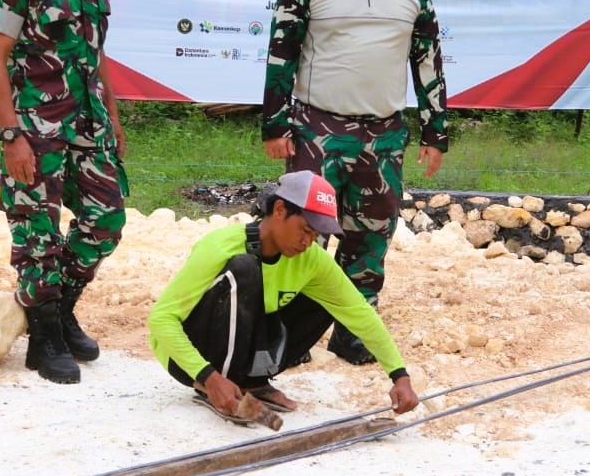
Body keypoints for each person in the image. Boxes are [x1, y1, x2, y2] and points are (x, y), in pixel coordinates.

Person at [261, 0, 448, 364]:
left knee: (372, 234)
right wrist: (275, 126)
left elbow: (427, 62)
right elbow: (281, 56)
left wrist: (435, 130)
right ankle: (286, 328)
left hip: (383, 134)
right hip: (316, 128)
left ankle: (353, 330)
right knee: (305, 231)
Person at [0, 0, 127, 384]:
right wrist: (11, 134)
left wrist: (112, 113)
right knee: (36, 228)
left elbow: (95, 50)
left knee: (106, 221)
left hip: (89, 121)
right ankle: (43, 336)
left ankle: (62, 308)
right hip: (35, 127)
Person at [147, 170, 420, 424]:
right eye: (304, 229)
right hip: (192, 361)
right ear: (279, 210)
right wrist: (208, 376)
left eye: (315, 235)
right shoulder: (219, 247)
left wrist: (399, 375)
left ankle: (252, 381)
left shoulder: (310, 259)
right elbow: (161, 319)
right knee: (243, 269)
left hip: (241, 348)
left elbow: (359, 312)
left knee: (330, 295)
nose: (307, 242)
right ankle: (221, 387)